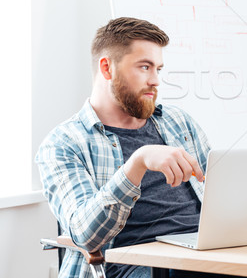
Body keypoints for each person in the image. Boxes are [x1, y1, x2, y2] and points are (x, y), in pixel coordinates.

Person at [36, 18, 218, 278]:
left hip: (202, 255)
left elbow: (218, 193)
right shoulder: (64, 143)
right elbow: (86, 235)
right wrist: (137, 163)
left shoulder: (179, 122)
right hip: (133, 268)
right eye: (145, 67)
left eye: (158, 69)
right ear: (107, 68)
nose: (155, 80)